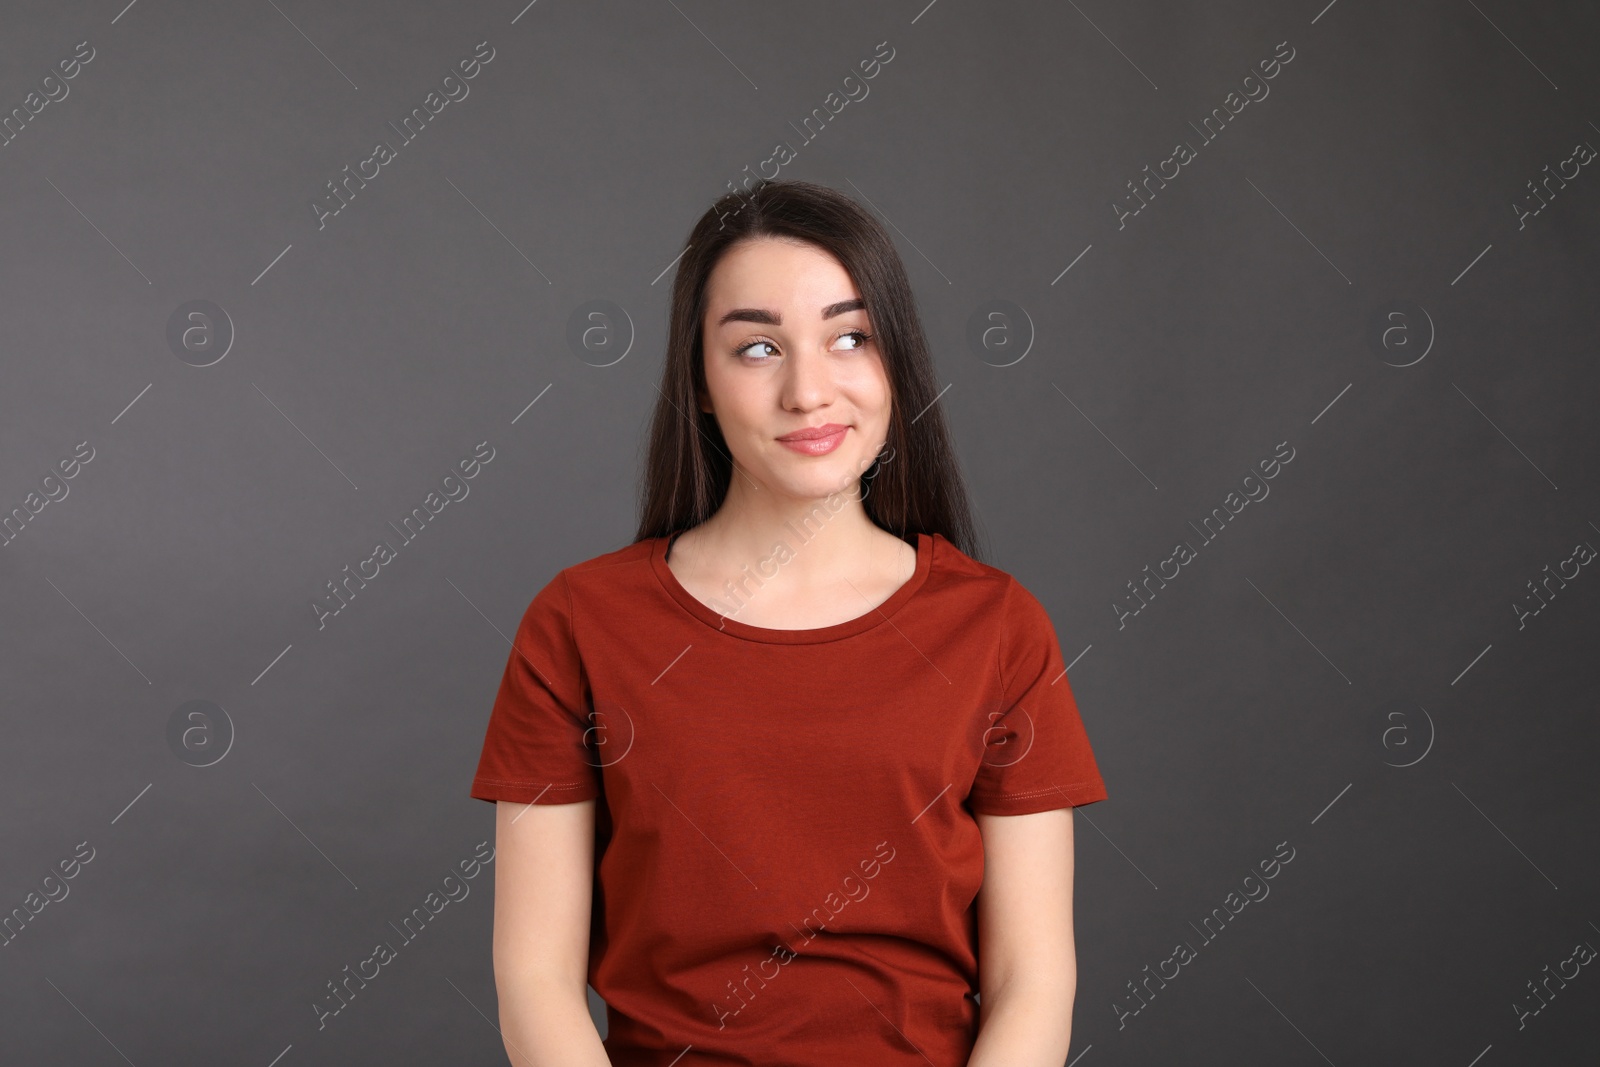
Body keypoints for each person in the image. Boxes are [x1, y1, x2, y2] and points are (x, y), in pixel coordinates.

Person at [470, 178, 1109, 1066]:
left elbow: (1033, 980)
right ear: (697, 379)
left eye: (851, 337)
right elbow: (534, 977)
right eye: (759, 347)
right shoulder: (580, 622)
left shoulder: (997, 627)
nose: (810, 392)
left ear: (898, 367)